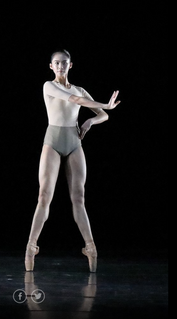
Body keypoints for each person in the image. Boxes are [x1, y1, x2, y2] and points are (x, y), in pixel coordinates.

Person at [25, 49, 120, 272]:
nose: (60, 66)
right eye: (56, 63)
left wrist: (89, 122)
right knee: (44, 195)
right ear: (51, 66)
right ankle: (30, 248)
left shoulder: (80, 88)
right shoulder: (49, 86)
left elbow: (102, 116)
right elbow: (76, 100)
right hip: (53, 141)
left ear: (70, 65)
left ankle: (91, 248)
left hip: (74, 142)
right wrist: (104, 106)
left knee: (79, 197)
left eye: (64, 63)